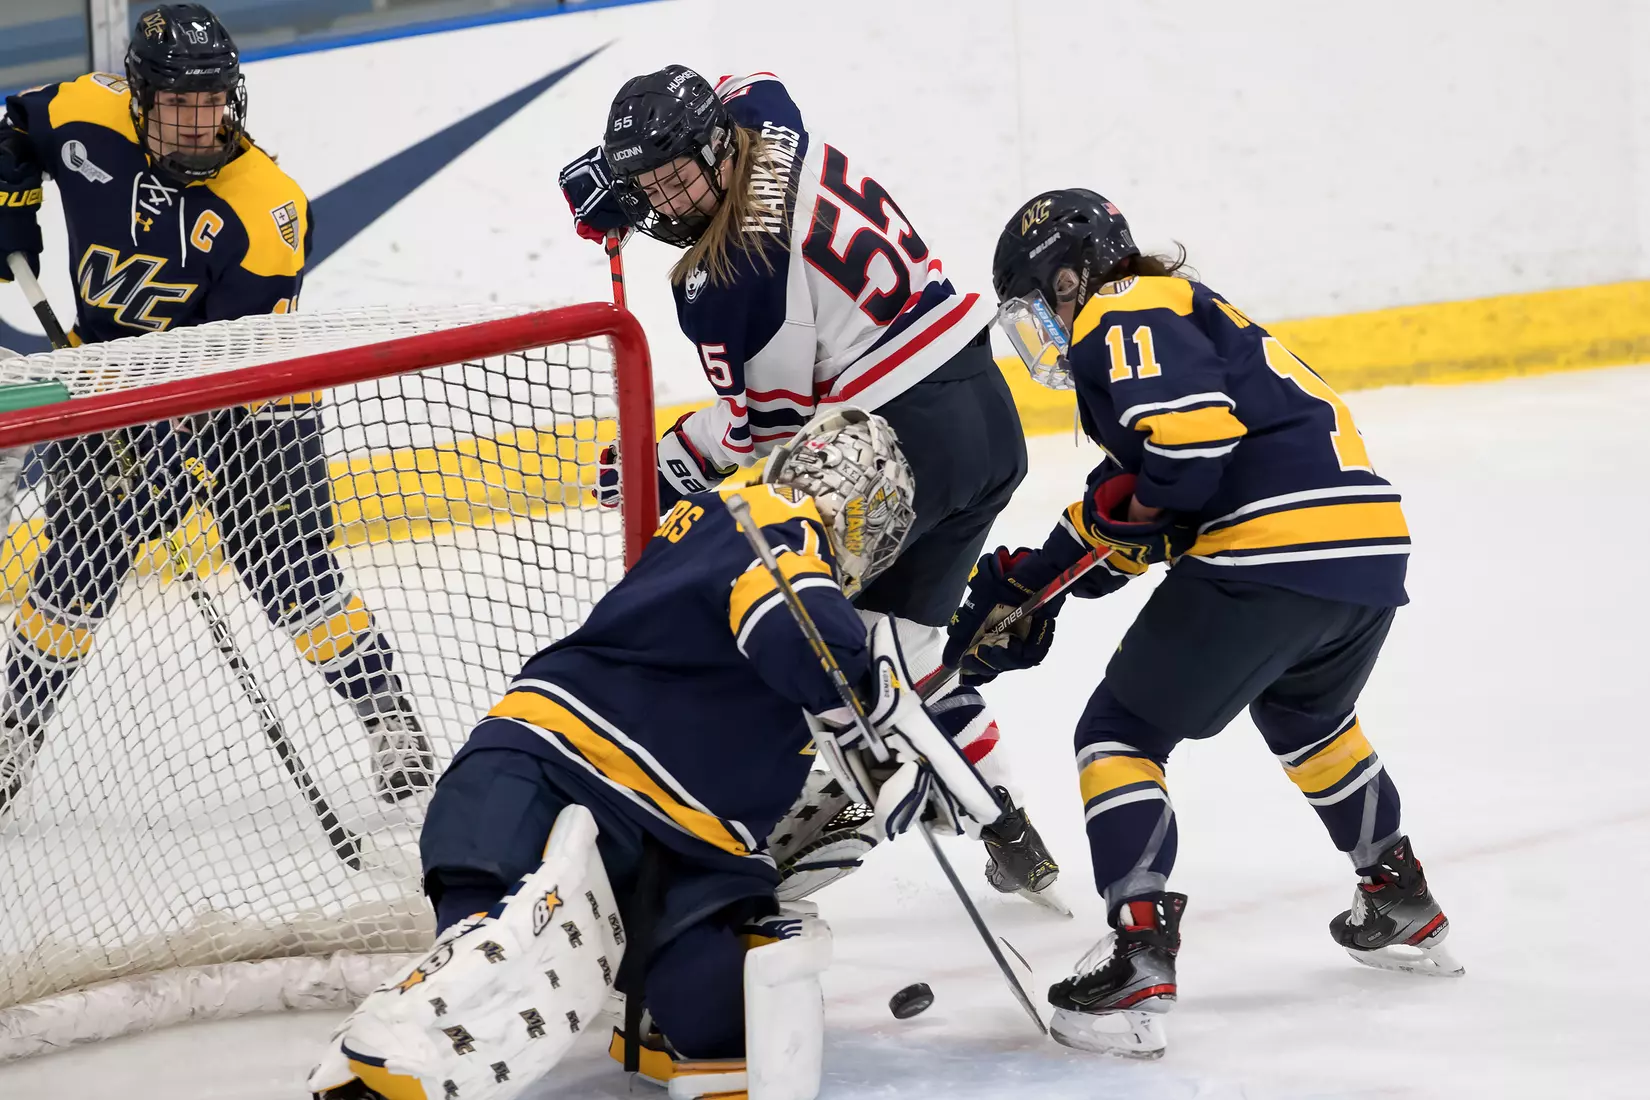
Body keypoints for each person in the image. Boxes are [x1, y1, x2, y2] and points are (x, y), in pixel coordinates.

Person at [308, 410, 1006, 1100]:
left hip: (651, 842)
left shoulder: (721, 519)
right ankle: (391, 1059)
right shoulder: (771, 527)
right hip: (558, 776)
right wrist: (864, 711)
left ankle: (631, 1006)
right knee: (496, 957)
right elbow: (793, 620)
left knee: (736, 1030)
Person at [949, 189, 1461, 1059]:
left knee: (1118, 734)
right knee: (1310, 720)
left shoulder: (1125, 307)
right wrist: (1040, 584)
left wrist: (1104, 532)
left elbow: (1183, 460)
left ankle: (1139, 953)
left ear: (1073, 276)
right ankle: (1399, 898)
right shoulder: (1187, 314)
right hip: (1364, 553)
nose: (1043, 331)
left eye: (1041, 306)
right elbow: (1151, 507)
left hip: (1271, 552)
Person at [558, 65, 1055, 904]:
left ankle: (759, 853)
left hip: (903, 447)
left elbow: (776, 439)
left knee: (798, 644)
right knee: (908, 652)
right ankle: (1012, 831)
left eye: (677, 177)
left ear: (716, 148)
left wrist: (665, 462)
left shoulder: (730, 285)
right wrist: (624, 173)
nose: (666, 202)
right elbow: (750, 78)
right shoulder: (763, 119)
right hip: (982, 410)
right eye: (649, 184)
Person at [0, 4, 431, 812]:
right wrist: (11, 200)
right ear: (137, 98)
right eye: (177, 106)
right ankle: (13, 734)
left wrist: (169, 458)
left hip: (254, 400)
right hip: (110, 387)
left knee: (290, 574)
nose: (199, 124)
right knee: (75, 572)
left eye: (213, 103)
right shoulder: (85, 113)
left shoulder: (266, 211)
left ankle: (390, 719)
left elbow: (234, 365)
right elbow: (16, 128)